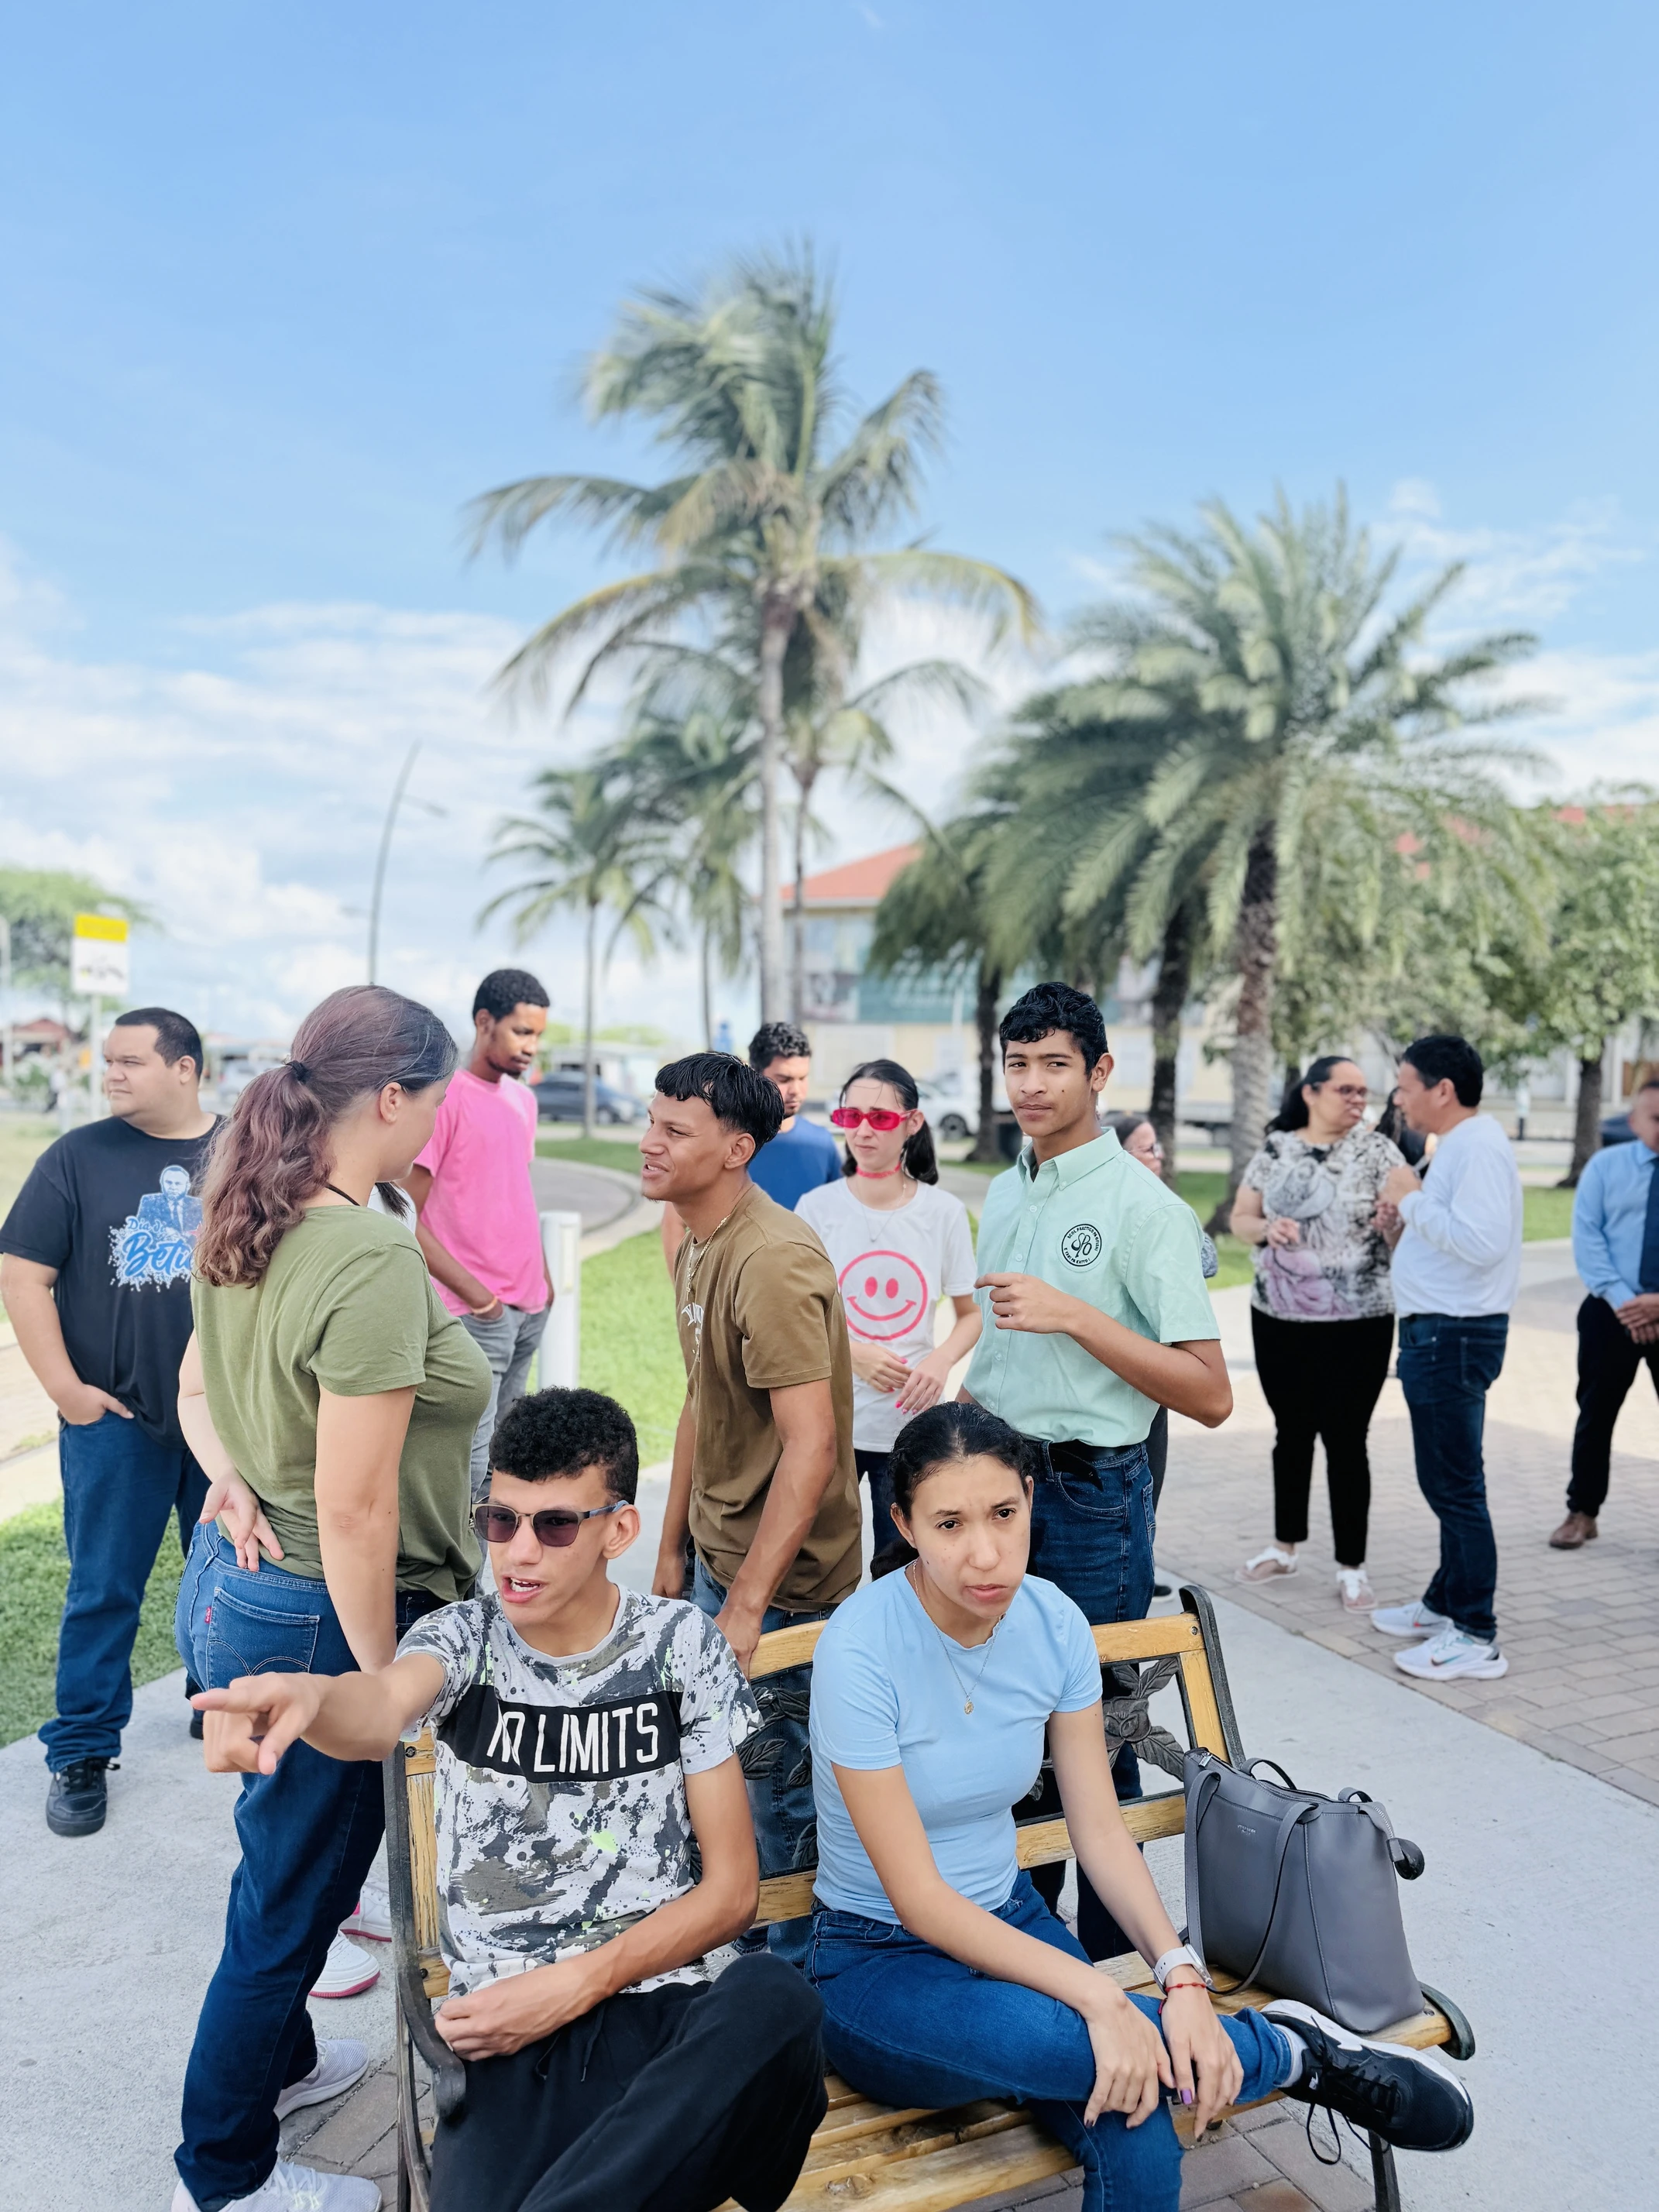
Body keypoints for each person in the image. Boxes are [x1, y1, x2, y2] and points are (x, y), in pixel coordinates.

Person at [805, 1402, 1474, 2212]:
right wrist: (1100, 1997)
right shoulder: (861, 1650)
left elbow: (1098, 1830)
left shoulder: (1053, 1624)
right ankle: (1291, 2053)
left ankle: (1250, 2042)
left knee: (1142, 2126)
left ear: (1030, 1498)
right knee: (1098, 2049)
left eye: (1004, 1514)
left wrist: (1179, 1978)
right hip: (880, 1959)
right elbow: (918, 1899)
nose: (985, 1552)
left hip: (1011, 1920)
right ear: (904, 1525)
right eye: (949, 1524)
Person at [194, 1387, 826, 2212]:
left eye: (555, 1525)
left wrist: (578, 1984)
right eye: (500, 1520)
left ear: (619, 1530)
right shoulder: (463, 1639)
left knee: (778, 2001)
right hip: (508, 2036)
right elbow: (380, 1706)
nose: (519, 1553)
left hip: (667, 2017)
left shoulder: (680, 1648)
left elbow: (734, 1894)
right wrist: (312, 1697)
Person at [170, 985, 492, 2212]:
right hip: (319, 1610)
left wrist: (228, 1475)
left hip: (238, 1589)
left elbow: (196, 1390)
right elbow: (356, 1513)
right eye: (436, 1103)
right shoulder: (364, 1253)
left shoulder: (254, 1202)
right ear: (393, 1098)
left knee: (277, 1866)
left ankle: (288, 2067)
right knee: (289, 1909)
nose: (438, 1127)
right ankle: (224, 2177)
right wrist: (382, 1687)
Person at [961, 982, 1229, 1962]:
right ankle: (1027, 1952)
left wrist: (1075, 1315)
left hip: (1090, 1499)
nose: (1032, 1085)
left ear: (1100, 1071)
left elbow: (1209, 1393)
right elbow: (1001, 1355)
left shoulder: (1144, 1209)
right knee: (1007, 1734)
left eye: (1055, 1065)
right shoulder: (1005, 1189)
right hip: (995, 1489)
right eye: (1017, 1064)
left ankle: (1128, 1968)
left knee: (1100, 1743)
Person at [643, 1052, 860, 1960]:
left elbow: (811, 1447)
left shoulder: (771, 1259)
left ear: (736, 1149)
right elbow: (701, 1399)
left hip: (782, 1589)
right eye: (651, 1122)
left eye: (674, 1130)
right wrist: (672, 1548)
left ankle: (800, 1986)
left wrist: (746, 1604)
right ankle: (751, 1962)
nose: (649, 1143)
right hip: (721, 1560)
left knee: (782, 1806)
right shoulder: (697, 1237)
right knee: (717, 1782)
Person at [0, 1006, 218, 1837]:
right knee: (103, 1590)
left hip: (225, 1421)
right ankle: (82, 1751)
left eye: (130, 1061)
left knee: (229, 1575)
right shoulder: (77, 1156)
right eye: (108, 1061)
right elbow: (22, 1276)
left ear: (185, 1068)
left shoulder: (246, 1151)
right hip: (116, 1418)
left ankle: (219, 1698)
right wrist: (68, 1393)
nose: (111, 1074)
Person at [1371, 1034, 1522, 1683]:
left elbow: (1482, 1243)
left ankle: (1476, 1634)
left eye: (1405, 1087)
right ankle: (1443, 1603)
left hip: (1453, 1336)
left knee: (1455, 1486)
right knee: (1446, 1480)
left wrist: (1410, 1196)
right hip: (1441, 1333)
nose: (1398, 1100)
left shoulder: (1476, 1146)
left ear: (1443, 1089)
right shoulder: (1458, 1145)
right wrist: (1403, 1221)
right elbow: (1448, 1235)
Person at [1229, 1057, 1404, 1613]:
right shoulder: (1276, 1148)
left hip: (1360, 1322)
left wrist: (1394, 1225)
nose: (1358, 1099)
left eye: (1363, 1091)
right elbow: (1240, 1218)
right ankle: (1285, 1548)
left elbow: (1409, 1223)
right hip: (1277, 1317)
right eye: (1345, 1089)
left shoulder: (1379, 1152)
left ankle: (1353, 1567)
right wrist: (1266, 1228)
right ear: (1310, 1092)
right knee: (1291, 1433)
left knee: (1347, 1440)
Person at [796, 1058, 981, 1551]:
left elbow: (972, 1314)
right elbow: (795, 1315)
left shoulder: (943, 1213)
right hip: (827, 1423)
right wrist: (852, 1354)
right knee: (819, 1561)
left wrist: (940, 1361)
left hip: (909, 1426)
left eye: (879, 1118)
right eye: (850, 1116)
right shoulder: (815, 1208)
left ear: (912, 1123)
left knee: (900, 1561)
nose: (862, 1131)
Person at [407, 967, 554, 1499]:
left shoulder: (523, 1101)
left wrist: (545, 1280)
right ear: (484, 1021)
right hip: (476, 1312)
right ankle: (459, 1560)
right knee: (468, 1469)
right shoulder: (445, 1099)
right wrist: (479, 1299)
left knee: (509, 1469)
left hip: (530, 1306)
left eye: (538, 1035)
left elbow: (515, 1191)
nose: (531, 1047)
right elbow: (406, 1213)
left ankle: (500, 1557)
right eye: (522, 1032)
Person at [1554, 1073, 1659, 1547]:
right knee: (1596, 1415)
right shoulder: (1605, 1167)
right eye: (1656, 1118)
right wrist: (1627, 1303)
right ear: (1634, 1120)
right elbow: (1588, 1238)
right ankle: (1582, 1512)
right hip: (1610, 1311)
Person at [661, 1022, 839, 1272]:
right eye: (784, 1079)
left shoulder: (823, 1144)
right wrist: (685, 1290)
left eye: (803, 1078)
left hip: (805, 1283)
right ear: (756, 1075)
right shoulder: (721, 1142)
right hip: (732, 1284)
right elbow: (674, 1223)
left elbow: (841, 1218)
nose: (796, 1091)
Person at [1108, 1115, 1218, 1522]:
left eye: (1158, 1147)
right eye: (1148, 1148)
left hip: (1154, 1371)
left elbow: (1208, 1259)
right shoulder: (1112, 1206)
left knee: (1146, 1498)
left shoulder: (1159, 1204)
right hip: (1113, 1381)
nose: (1159, 1156)